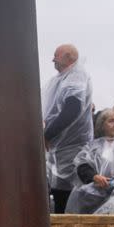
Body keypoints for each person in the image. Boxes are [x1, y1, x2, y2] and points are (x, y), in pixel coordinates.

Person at [42, 44, 94, 213]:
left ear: (68, 57)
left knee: (68, 194)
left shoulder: (76, 76)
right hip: (61, 149)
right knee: (60, 190)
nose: (53, 60)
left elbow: (73, 108)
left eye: (56, 56)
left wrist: (47, 134)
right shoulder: (63, 78)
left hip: (72, 147)